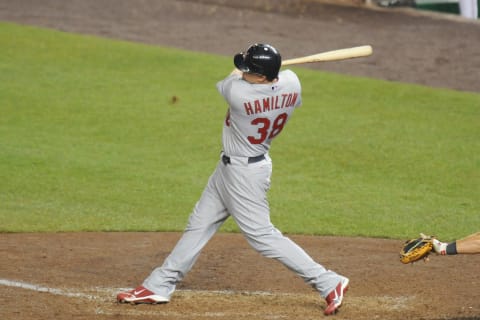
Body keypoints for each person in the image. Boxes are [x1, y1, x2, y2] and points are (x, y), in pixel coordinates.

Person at [116, 43, 349, 315]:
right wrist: (267, 70)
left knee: (262, 236)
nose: (244, 70)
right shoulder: (293, 84)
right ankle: (160, 284)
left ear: (261, 76)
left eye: (250, 69)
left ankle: (328, 282)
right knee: (199, 223)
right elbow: (273, 77)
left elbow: (233, 74)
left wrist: (252, 71)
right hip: (235, 168)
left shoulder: (238, 94)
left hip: (244, 175)